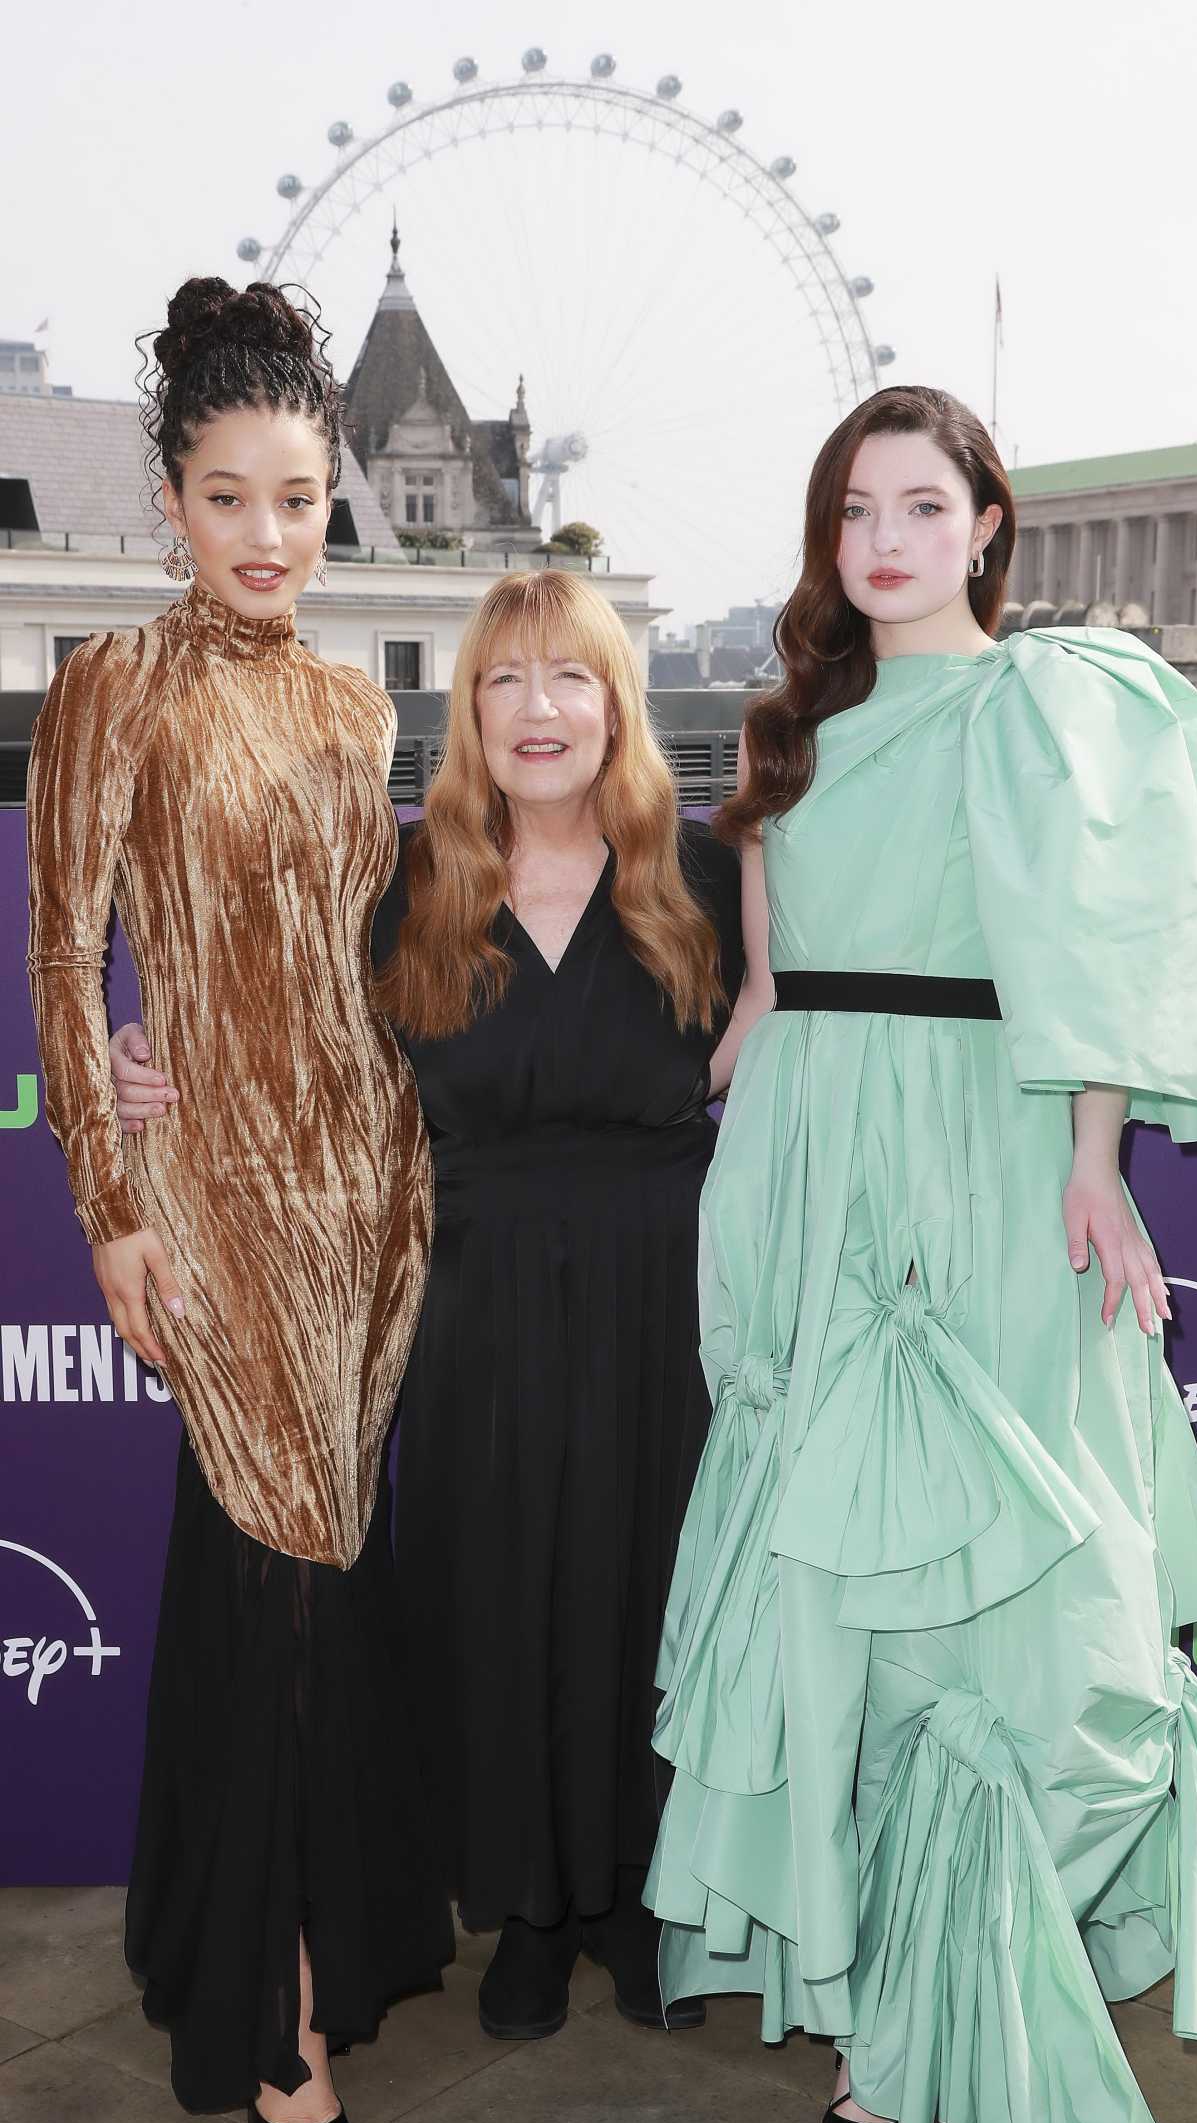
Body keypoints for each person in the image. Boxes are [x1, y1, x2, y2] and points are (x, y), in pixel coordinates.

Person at [643, 384, 1197, 2123]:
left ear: (987, 524)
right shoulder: (790, 732)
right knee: (841, 1601)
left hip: (985, 1162)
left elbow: (1098, 952)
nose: (884, 540)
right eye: (854, 509)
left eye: (920, 504)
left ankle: (948, 1997)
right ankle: (880, 2024)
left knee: (1036, 1622)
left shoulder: (1049, 703)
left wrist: (1093, 1158)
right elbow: (768, 992)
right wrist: (704, 1141)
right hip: (808, 1172)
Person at [112, 567, 756, 2044]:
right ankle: (526, 1910)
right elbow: (281, 1034)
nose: (539, 710)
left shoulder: (707, 875)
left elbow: (809, 1029)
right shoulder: (405, 885)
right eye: (503, 680)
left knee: (654, 1585)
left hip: (667, 1294)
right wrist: (151, 1051)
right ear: (467, 712)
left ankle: (637, 1897)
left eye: (570, 676)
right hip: (469, 1297)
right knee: (495, 1593)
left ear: (617, 704)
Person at [27, 277, 452, 2123]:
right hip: (211, 1191)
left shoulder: (358, 702)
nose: (267, 535)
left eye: (297, 497)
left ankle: (288, 1943)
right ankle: (275, 2017)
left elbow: (369, 959)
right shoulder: (114, 683)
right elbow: (66, 956)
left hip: (372, 1186)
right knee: (273, 1578)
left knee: (319, 1589)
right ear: (172, 503)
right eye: (227, 498)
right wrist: (109, 1201)